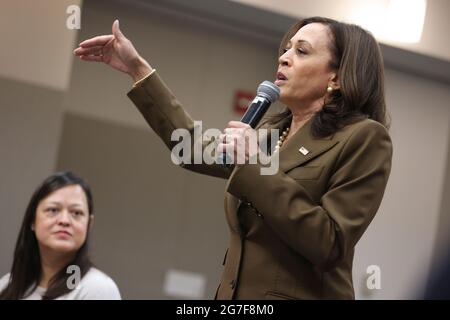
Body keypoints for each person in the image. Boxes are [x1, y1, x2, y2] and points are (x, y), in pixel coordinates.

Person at [74, 16, 393, 299]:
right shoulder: (270, 132)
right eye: (286, 49)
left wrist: (255, 164)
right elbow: (192, 148)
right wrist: (137, 68)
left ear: (336, 78)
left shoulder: (363, 137)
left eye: (301, 51)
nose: (283, 57)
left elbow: (330, 242)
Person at [0, 172, 121, 300]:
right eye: (53, 210)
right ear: (32, 221)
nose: (64, 220)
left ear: (89, 224)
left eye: (76, 213)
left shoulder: (97, 289)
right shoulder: (8, 285)